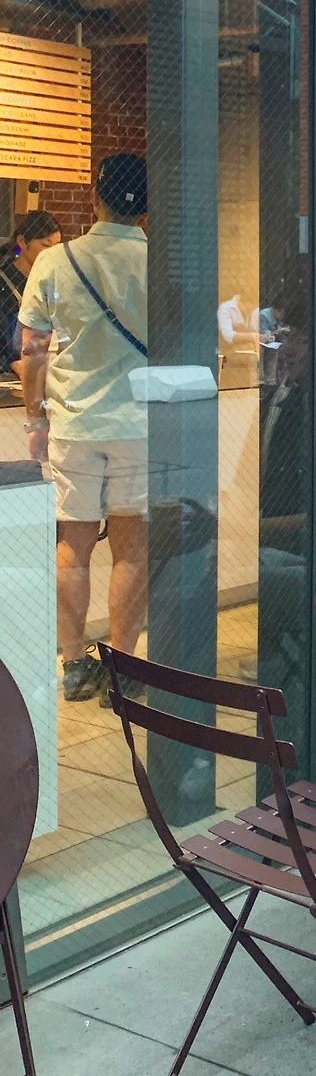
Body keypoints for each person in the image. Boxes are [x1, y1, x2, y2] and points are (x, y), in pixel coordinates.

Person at [19, 155, 148, 703]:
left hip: (74, 422)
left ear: (96, 196)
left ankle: (74, 666)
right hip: (139, 424)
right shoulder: (159, 261)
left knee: (73, 543)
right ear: (146, 208)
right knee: (131, 549)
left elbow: (32, 350)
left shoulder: (54, 260)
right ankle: (123, 668)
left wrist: (35, 419)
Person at [2, 210, 62, 375]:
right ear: (22, 241)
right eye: (45, 245)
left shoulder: (55, 283)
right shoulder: (4, 282)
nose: (53, 253)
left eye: (57, 246)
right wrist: (13, 364)